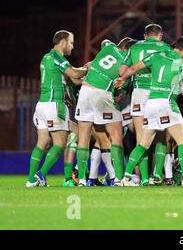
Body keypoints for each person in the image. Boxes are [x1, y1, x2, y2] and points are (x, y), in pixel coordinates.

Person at [116, 36, 183, 187]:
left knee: (143, 144)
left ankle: (126, 178)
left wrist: (123, 78)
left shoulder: (156, 56)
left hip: (150, 103)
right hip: (167, 104)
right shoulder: (182, 64)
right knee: (182, 141)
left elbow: (135, 67)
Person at [27, 30, 90, 187]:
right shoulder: (57, 57)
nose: (72, 46)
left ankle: (30, 180)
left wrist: (86, 78)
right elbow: (74, 74)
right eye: (71, 42)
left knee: (42, 143)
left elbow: (72, 81)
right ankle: (40, 175)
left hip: (41, 105)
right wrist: (87, 67)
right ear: (63, 41)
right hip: (54, 105)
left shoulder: (46, 57)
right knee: (60, 144)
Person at [75, 37, 135, 186]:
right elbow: (121, 91)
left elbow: (105, 41)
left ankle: (82, 178)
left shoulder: (108, 47)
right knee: (116, 136)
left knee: (84, 136)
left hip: (85, 91)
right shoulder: (125, 65)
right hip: (102, 93)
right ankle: (120, 179)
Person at [120, 24, 172, 185]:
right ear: (160, 35)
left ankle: (143, 178)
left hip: (139, 94)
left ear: (145, 35)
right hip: (159, 93)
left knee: (141, 138)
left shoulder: (134, 48)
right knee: (162, 137)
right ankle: (157, 175)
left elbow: (123, 71)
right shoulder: (165, 47)